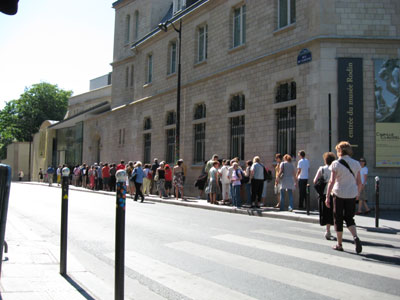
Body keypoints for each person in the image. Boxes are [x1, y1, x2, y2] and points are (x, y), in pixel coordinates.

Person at [325, 141, 363, 253]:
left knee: (338, 218)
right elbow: (359, 182)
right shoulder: (356, 163)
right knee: (349, 217)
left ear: (339, 151)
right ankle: (355, 237)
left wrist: (327, 196)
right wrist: (358, 193)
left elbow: (331, 181)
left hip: (339, 193)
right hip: (351, 193)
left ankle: (339, 244)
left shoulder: (335, 164)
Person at [313, 152, 336, 240]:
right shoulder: (335, 168)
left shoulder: (322, 168)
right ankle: (337, 230)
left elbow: (315, 181)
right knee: (333, 212)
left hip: (324, 193)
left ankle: (328, 230)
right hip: (334, 193)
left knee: (326, 212)